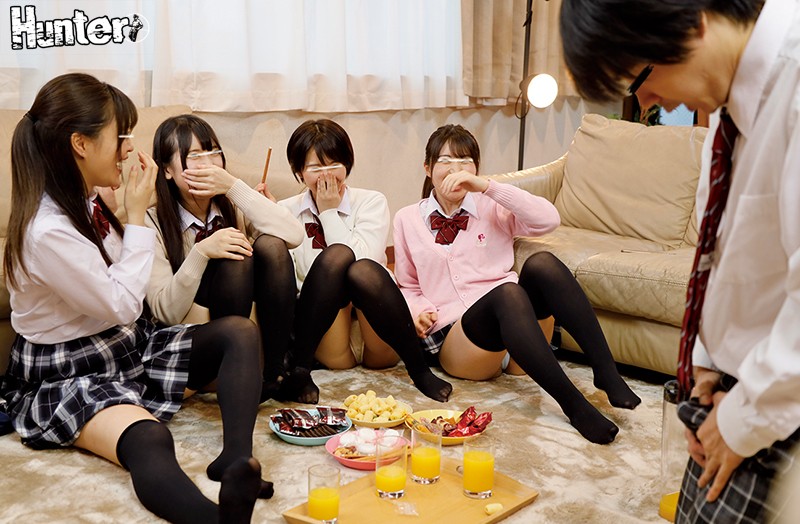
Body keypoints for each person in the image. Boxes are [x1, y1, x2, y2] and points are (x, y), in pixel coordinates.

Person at [560, 0, 800, 520]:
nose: (645, 100)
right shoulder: (731, 111)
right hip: (737, 389)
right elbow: (725, 261)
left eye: (639, 77)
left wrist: (744, 419)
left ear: (692, 21)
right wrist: (707, 366)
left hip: (779, 396)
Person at [0, 73, 267, 524]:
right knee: (149, 438)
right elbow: (125, 302)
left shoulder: (83, 200)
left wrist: (126, 211)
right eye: (120, 137)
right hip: (68, 370)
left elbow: (127, 306)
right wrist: (138, 215)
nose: (128, 149)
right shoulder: (47, 231)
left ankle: (236, 460)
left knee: (239, 333)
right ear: (80, 144)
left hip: (125, 343)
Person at [393, 124, 640, 444]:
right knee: (508, 292)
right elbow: (408, 286)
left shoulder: (493, 205)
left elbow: (549, 219)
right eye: (445, 161)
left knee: (542, 264)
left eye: (466, 161)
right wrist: (419, 309)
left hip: (519, 330)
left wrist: (488, 188)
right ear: (428, 168)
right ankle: (575, 407)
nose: (456, 169)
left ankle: (606, 372)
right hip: (462, 342)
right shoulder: (407, 218)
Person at [273, 119, 452, 404]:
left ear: (347, 164)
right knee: (334, 261)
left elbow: (363, 260)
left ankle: (419, 371)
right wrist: (265, 214)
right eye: (315, 167)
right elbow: (290, 278)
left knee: (359, 267)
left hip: (375, 315)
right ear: (298, 172)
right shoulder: (285, 210)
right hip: (325, 323)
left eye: (334, 164)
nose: (326, 174)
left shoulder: (371, 201)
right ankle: (301, 370)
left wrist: (328, 212)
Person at [147, 114, 304, 400]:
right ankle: (230, 372)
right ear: (167, 170)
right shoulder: (153, 222)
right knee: (236, 257)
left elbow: (294, 235)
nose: (208, 164)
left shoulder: (234, 203)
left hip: (246, 296)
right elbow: (165, 312)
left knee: (271, 245)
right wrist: (202, 251)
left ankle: (274, 374)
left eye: (214, 152)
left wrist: (233, 187)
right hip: (197, 328)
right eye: (195, 156)